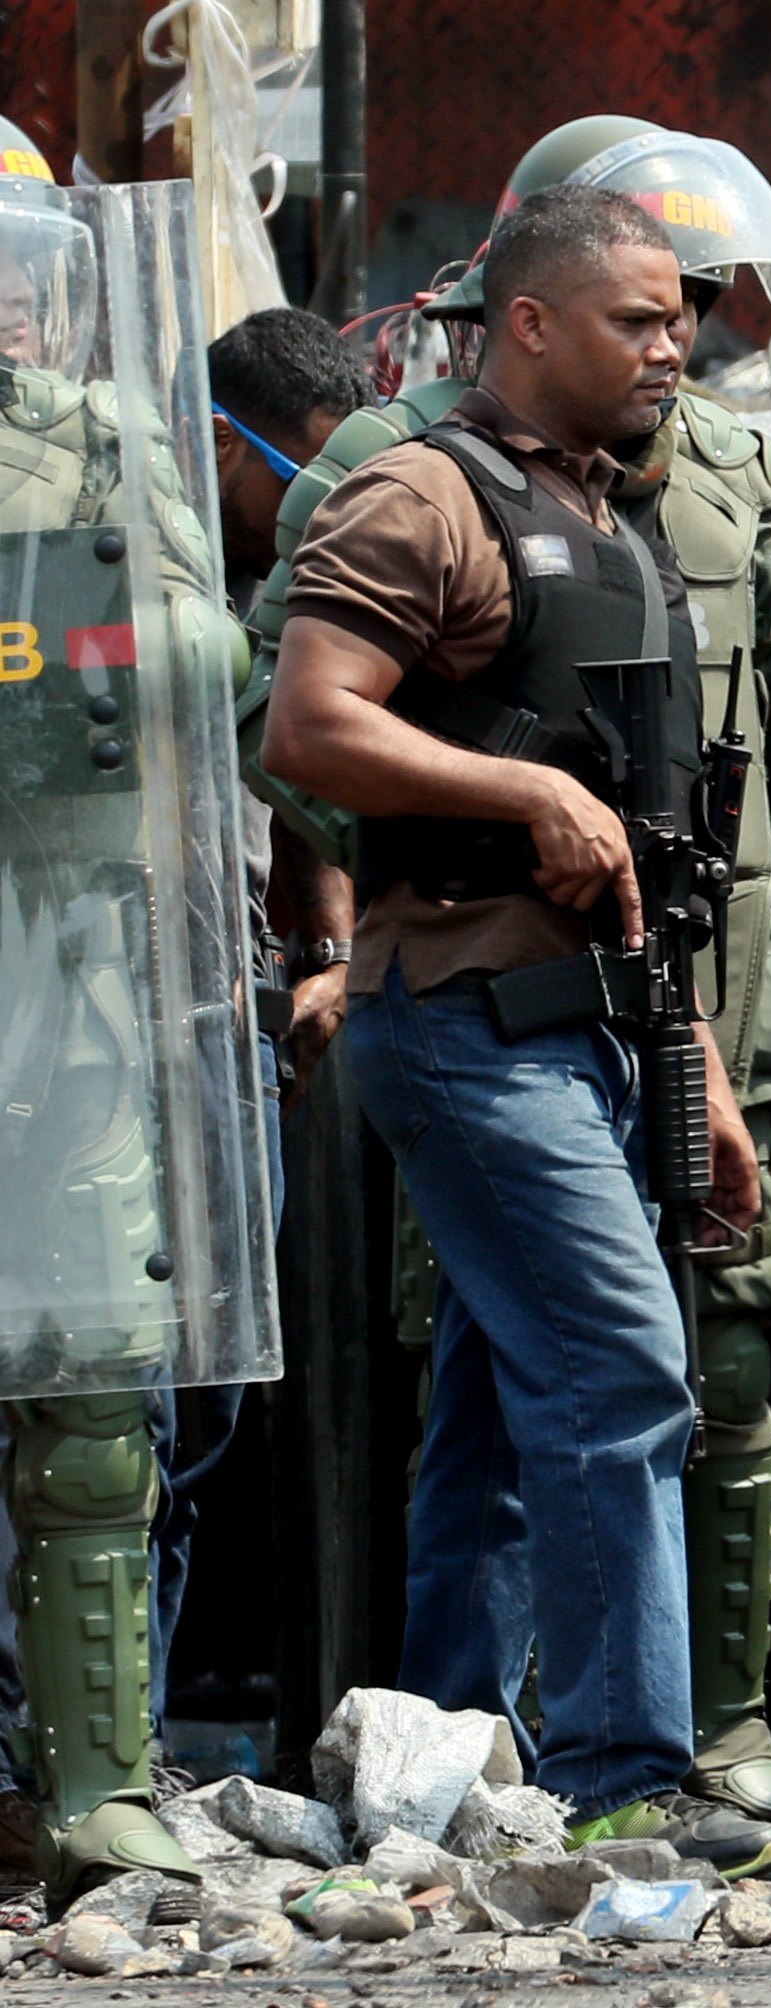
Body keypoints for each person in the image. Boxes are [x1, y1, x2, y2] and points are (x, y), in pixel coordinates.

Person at [246, 115, 771, 1828]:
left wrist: (694, 1061)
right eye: (637, 319)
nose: (675, 344)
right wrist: (519, 786)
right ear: (528, 323)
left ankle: (444, 1771)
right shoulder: (421, 488)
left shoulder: (610, 518)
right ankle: (633, 1773)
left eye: (684, 319)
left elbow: (659, 855)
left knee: (497, 1405)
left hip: (600, 1029)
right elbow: (304, 724)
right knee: (623, 1371)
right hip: (465, 1025)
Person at [0, 117, 277, 1896]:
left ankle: (97, 1778)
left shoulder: (105, 444)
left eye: (33, 281)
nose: (18, 317)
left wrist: (61, 631)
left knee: (96, 1391)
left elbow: (212, 651)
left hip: (80, 982)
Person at [146, 308, 371, 1730]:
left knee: (215, 1396)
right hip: (114, 1027)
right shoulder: (141, 567)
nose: (319, 508)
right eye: (297, 474)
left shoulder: (276, 587)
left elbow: (303, 791)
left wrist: (327, 949)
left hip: (229, 1021)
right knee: (127, 1415)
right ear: (224, 443)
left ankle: (135, 1739)